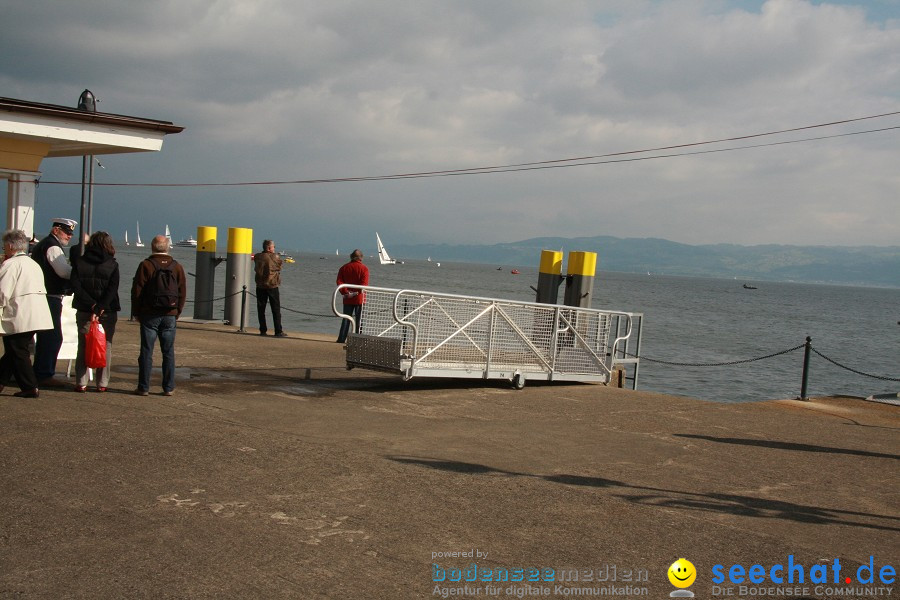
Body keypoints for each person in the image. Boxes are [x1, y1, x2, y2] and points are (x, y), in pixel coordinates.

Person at [131, 235, 186, 396]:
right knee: (168, 352)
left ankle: (143, 387)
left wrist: (137, 312)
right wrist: (177, 311)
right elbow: (182, 291)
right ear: (168, 247)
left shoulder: (146, 265)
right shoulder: (177, 267)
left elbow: (137, 290)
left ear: (152, 247)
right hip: (170, 314)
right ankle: (168, 387)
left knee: (146, 351)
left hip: (149, 314)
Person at [0, 229, 53, 398]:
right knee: (14, 350)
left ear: (9, 246)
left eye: (4, 246)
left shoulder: (10, 265)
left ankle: (30, 386)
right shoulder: (32, 263)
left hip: (20, 314)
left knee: (17, 350)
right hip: (36, 314)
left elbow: (2, 292)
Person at [71, 231, 120, 393]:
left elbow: (76, 286)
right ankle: (102, 382)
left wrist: (92, 305)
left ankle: (81, 381)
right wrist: (100, 306)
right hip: (107, 310)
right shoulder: (112, 264)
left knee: (83, 344)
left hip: (84, 308)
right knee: (106, 344)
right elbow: (112, 289)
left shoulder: (79, 262)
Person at [30, 218, 76, 388]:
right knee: (53, 337)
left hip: (44, 295)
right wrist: (77, 273)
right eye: (67, 232)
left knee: (46, 337)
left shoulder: (45, 244)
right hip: (50, 296)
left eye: (71, 233)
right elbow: (63, 271)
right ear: (56, 230)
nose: (70, 236)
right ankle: (44, 373)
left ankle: (39, 371)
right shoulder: (53, 247)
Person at [253, 239, 286, 337]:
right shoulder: (275, 257)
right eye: (273, 247)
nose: (274, 248)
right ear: (269, 248)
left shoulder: (257, 256)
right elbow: (279, 266)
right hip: (272, 285)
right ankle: (278, 330)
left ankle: (263, 330)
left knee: (261, 309)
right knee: (275, 309)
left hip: (260, 285)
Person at [336, 249, 369, 343]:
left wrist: (345, 292)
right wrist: (356, 292)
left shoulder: (344, 268)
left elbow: (339, 282)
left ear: (351, 256)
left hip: (347, 298)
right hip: (360, 298)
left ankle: (341, 338)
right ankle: (358, 340)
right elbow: (364, 285)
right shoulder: (364, 269)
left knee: (346, 319)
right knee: (359, 320)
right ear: (361, 258)